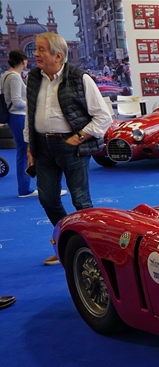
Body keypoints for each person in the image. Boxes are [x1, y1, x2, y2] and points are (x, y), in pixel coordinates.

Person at [24, 32, 113, 266]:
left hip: (72, 146)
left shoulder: (80, 78)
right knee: (47, 199)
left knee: (81, 201)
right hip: (43, 147)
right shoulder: (33, 78)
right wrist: (30, 145)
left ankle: (91, 250)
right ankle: (66, 244)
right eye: (36, 49)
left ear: (58, 55)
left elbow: (104, 117)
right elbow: (30, 114)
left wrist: (80, 136)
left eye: (41, 50)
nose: (35, 54)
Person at [2, 50, 34, 197]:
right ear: (23, 61)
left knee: (22, 152)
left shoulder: (6, 75)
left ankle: (24, 188)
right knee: (30, 151)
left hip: (13, 117)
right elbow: (16, 101)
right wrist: (32, 105)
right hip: (18, 116)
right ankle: (42, 187)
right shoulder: (14, 77)